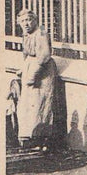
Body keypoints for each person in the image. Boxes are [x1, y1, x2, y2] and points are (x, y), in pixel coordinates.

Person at [15, 9, 58, 150]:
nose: (26, 24)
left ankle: (42, 140)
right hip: (30, 67)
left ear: (35, 20)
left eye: (28, 20)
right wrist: (23, 68)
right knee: (28, 105)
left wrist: (33, 74)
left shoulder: (41, 32)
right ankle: (31, 138)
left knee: (41, 104)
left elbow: (45, 55)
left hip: (42, 71)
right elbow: (26, 53)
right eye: (22, 21)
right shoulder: (26, 35)